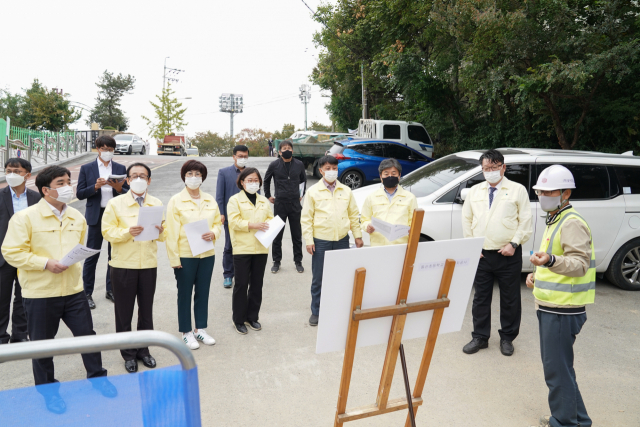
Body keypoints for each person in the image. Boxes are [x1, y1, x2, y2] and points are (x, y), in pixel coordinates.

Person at [1, 166, 115, 413]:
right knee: (42, 346)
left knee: (87, 337)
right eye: (61, 183)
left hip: (73, 291)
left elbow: (81, 244)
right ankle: (49, 392)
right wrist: (44, 263)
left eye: (68, 181)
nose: (67, 187)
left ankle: (98, 377)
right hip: (40, 293)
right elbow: (11, 252)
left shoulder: (77, 216)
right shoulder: (25, 218)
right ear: (45, 190)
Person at [526, 165, 595, 427]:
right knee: (561, 370)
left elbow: (579, 264)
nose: (543, 195)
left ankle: (564, 422)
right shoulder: (556, 217)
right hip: (553, 306)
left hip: (562, 309)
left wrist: (551, 260)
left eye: (548, 191)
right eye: (540, 191)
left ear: (566, 193)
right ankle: (578, 420)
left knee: (557, 372)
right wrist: (536, 273)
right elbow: (552, 259)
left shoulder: (571, 222)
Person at [461, 149, 532, 356]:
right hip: (482, 254)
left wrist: (514, 244)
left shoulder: (517, 190)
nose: (490, 171)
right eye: (486, 168)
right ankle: (480, 337)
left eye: (494, 167)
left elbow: (525, 221)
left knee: (510, 299)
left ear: (503, 167)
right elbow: (466, 220)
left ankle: (507, 338)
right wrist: (472, 245)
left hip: (508, 253)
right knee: (480, 298)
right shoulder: (475, 191)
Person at [102, 162, 164, 373]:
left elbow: (165, 236)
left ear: (149, 180)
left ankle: (143, 351)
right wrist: (128, 232)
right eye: (134, 176)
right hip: (123, 265)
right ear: (127, 180)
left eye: (143, 176)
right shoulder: (115, 204)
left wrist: (161, 230)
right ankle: (128, 354)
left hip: (147, 264)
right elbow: (107, 232)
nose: (139, 179)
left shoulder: (155, 203)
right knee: (124, 312)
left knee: (146, 311)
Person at [165, 160, 222, 350]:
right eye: (189, 174)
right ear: (184, 177)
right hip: (185, 255)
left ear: (203, 177)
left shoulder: (209, 200)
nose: (194, 177)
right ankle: (186, 332)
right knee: (185, 293)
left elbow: (217, 222)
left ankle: (200, 329)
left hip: (206, 253)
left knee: (203, 292)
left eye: (197, 174)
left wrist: (214, 233)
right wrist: (174, 259)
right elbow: (170, 232)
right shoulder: (176, 201)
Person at [301, 155, 363, 326]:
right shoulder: (313, 191)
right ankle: (317, 311)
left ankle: (338, 309)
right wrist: (309, 240)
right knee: (319, 278)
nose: (331, 171)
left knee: (341, 277)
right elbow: (306, 219)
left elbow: (353, 215)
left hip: (342, 240)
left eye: (334, 168)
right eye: (327, 168)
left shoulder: (346, 190)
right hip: (321, 241)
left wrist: (357, 236)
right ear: (320, 170)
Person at [77, 135, 128, 309]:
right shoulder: (87, 168)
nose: (107, 152)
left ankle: (111, 289)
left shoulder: (120, 167)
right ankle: (87, 293)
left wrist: (118, 187)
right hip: (96, 215)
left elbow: (127, 192)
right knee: (92, 254)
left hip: (115, 215)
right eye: (104, 149)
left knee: (113, 255)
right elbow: (80, 193)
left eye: (110, 150)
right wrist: (95, 187)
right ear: (98, 149)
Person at [227, 167, 273, 335]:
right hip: (242, 248)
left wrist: (269, 225)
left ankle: (252, 317)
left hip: (261, 247)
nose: (253, 183)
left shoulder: (263, 201)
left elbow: (269, 218)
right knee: (241, 284)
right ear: (242, 182)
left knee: (256, 284)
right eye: (250, 180)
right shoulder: (234, 200)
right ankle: (238, 319)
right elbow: (233, 222)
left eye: (256, 180)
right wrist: (253, 225)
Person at [0, 158, 40, 345]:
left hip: (27, 256)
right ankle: (1, 336)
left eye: (17, 171)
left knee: (23, 298)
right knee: (1, 298)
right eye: (9, 171)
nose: (12, 175)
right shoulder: (0, 196)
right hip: (3, 257)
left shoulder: (36, 199)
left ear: (28, 175)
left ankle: (20, 335)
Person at [264, 140, 307, 274]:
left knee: (296, 235)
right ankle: (276, 262)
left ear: (292, 150)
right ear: (280, 151)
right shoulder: (274, 164)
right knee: (277, 234)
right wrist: (268, 195)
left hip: (295, 203)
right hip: (280, 203)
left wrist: (301, 194)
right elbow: (266, 179)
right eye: (284, 148)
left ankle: (298, 261)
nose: (286, 150)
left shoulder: (299, 164)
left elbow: (303, 180)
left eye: (289, 148)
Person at [360, 158, 418, 246]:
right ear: (381, 176)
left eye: (393, 173)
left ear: (399, 176)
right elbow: (364, 219)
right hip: (378, 245)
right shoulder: (371, 197)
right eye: (386, 174)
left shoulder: (410, 198)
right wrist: (367, 226)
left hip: (401, 246)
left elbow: (414, 222)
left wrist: (412, 230)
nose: (390, 176)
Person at [216, 145, 249, 289]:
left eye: (245, 156)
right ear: (234, 156)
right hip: (231, 217)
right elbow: (220, 195)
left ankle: (243, 274)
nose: (243, 158)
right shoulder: (224, 172)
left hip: (248, 217)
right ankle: (228, 275)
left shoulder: (251, 173)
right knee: (229, 246)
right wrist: (221, 213)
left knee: (245, 246)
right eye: (240, 156)